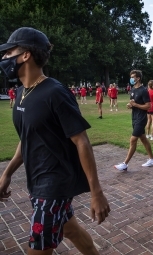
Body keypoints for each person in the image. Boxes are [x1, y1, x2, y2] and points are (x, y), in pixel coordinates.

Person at [0, 27, 110, 255]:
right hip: (36, 181)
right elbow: (27, 140)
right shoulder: (21, 93)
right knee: (71, 230)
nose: (4, 58)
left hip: (54, 186)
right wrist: (7, 174)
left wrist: (96, 192)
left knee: (38, 249)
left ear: (26, 55)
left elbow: (82, 141)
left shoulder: (55, 93)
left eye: (9, 53)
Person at [114, 70, 153, 171]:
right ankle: (152, 159)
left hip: (141, 119)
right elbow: (133, 102)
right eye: (131, 77)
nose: (131, 79)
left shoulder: (143, 90)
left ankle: (125, 164)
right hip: (134, 117)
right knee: (143, 138)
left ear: (138, 78)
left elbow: (148, 106)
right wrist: (130, 105)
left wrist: (136, 105)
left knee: (133, 139)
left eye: (133, 77)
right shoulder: (133, 89)